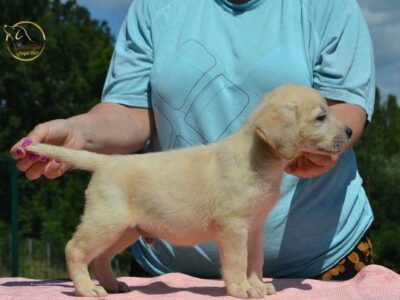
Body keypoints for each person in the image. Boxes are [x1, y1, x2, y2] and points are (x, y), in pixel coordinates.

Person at [11, 0, 375, 281]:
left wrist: (327, 147)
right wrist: (81, 134)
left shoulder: (329, 5)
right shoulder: (155, 6)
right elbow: (132, 110)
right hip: (167, 269)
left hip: (321, 263)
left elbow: (344, 108)